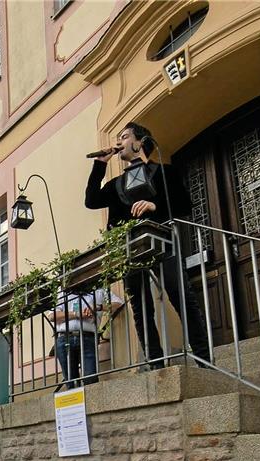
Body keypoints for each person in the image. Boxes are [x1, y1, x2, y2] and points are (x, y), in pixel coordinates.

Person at [85, 122, 210, 367]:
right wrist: (99, 165)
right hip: (129, 250)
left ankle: (204, 358)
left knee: (181, 298)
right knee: (141, 308)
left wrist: (155, 207)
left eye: (124, 136)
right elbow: (91, 201)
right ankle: (155, 363)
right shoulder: (115, 185)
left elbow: (185, 205)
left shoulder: (164, 172)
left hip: (162, 243)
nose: (119, 141)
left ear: (140, 142)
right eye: (118, 137)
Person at [52, 286, 124, 387]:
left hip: (88, 338)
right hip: (65, 338)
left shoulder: (99, 288)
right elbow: (52, 316)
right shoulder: (63, 290)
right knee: (71, 383)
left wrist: (97, 307)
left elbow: (118, 304)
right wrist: (77, 314)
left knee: (90, 381)